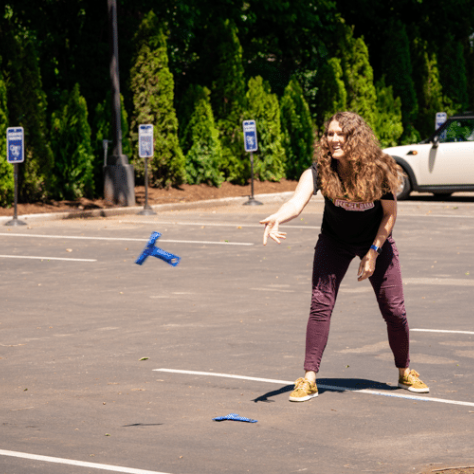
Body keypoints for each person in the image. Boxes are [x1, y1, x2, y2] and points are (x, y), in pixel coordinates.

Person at [260, 111, 429, 402]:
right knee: (320, 304)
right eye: (330, 134)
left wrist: (373, 252)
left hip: (376, 242)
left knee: (395, 310)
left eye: (341, 134)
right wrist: (278, 217)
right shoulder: (321, 170)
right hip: (334, 242)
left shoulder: (378, 170)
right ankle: (309, 379)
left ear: (356, 138)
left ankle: (404, 371)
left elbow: (389, 215)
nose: (334, 139)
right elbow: (296, 201)